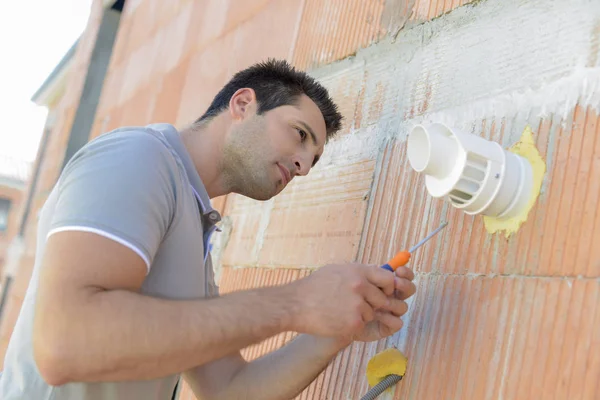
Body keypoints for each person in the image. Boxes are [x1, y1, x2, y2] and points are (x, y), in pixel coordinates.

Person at [0, 59, 416, 400]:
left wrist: (337, 326)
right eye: (300, 134)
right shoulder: (139, 158)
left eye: (314, 159)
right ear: (242, 104)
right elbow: (65, 342)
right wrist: (297, 303)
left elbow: (230, 389)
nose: (304, 166)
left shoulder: (194, 235)